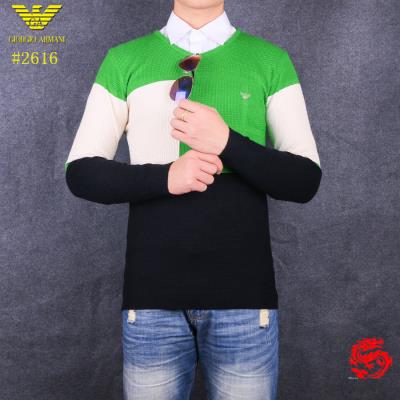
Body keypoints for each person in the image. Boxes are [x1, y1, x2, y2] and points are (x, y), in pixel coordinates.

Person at [65, 0, 322, 399]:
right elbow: (81, 172)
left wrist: (227, 142)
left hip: (245, 303)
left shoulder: (270, 60)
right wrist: (166, 177)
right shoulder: (123, 60)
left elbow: (304, 180)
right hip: (151, 303)